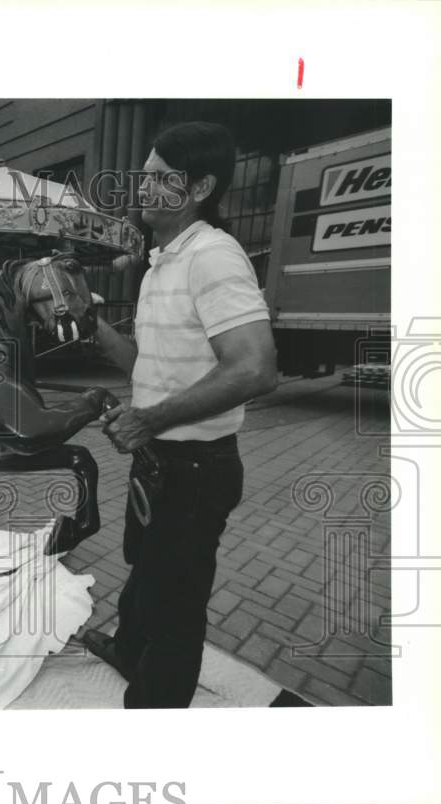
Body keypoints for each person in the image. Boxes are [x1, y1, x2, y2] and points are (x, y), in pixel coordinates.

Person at [85, 122, 278, 708]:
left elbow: (254, 368)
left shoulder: (213, 256)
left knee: (176, 600)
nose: (142, 188)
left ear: (200, 188)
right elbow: (150, 364)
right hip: (158, 460)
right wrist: (84, 322)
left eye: (160, 179)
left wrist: (149, 419)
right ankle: (126, 651)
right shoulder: (163, 261)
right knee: (142, 567)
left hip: (196, 469)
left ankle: (156, 713)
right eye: (143, 175)